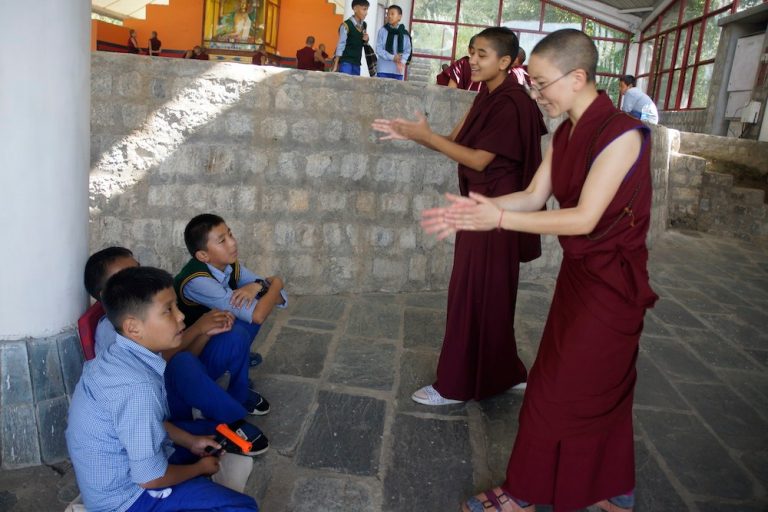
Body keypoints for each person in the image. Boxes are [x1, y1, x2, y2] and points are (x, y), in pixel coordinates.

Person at [422, 29, 658, 512]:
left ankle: (523, 493)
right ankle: (615, 487)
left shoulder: (623, 136)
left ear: (577, 78)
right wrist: (475, 210)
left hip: (612, 287)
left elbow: (584, 217)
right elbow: (533, 194)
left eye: (542, 83)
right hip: (579, 280)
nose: (536, 93)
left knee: (558, 389)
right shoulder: (565, 134)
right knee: (588, 383)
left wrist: (501, 219)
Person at [373, 27, 547, 406]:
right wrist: (417, 135)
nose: (473, 59)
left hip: (496, 213)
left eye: (483, 54)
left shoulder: (513, 102)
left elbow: (478, 159)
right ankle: (503, 373)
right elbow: (456, 141)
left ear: (505, 62)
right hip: (480, 209)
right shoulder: (487, 94)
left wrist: (426, 136)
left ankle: (455, 384)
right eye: (471, 51)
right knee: (488, 294)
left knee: (477, 294)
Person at [66, 266, 259, 512]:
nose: (181, 317)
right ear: (133, 327)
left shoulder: (116, 356)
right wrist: (199, 469)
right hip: (128, 500)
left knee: (209, 433)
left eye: (176, 307)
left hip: (118, 473)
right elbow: (150, 479)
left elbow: (143, 421)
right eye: (168, 310)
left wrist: (191, 441)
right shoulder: (137, 387)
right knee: (243, 507)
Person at [83, 247, 270, 456]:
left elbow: (180, 353)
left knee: (235, 334)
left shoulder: (151, 307)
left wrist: (206, 332)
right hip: (159, 394)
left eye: (138, 270)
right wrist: (198, 328)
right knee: (183, 365)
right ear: (105, 294)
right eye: (126, 278)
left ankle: (234, 397)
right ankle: (230, 419)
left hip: (182, 373)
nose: (141, 279)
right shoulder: (114, 329)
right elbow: (164, 366)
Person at [175, 214, 287, 412]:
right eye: (222, 241)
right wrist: (276, 281)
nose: (232, 243)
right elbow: (259, 313)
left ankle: (235, 359)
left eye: (230, 234)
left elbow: (279, 298)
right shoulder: (197, 281)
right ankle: (238, 394)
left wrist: (258, 287)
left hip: (208, 335)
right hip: (187, 357)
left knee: (249, 313)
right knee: (240, 330)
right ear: (203, 256)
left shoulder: (229, 265)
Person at [332, 0, 369, 76]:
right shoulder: (346, 25)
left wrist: (366, 39)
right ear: (355, 9)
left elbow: (360, 42)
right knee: (345, 84)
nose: (366, 12)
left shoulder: (364, 25)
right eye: (364, 9)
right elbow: (341, 45)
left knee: (354, 86)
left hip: (357, 62)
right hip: (346, 61)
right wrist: (336, 65)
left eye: (367, 9)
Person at [375, 5, 411, 80]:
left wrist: (402, 62)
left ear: (399, 17)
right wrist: (393, 57)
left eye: (392, 14)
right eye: (388, 14)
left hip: (397, 70)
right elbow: (378, 49)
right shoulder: (382, 31)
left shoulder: (405, 34)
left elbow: (407, 50)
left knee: (396, 92)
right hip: (383, 69)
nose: (389, 16)